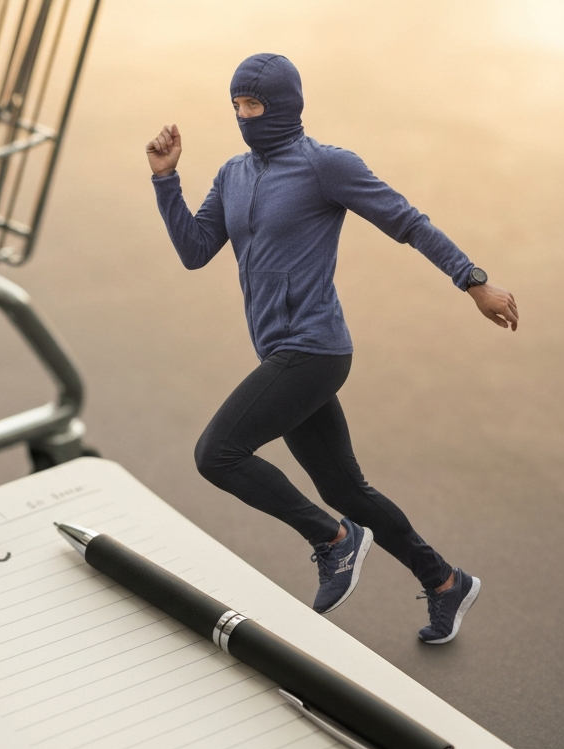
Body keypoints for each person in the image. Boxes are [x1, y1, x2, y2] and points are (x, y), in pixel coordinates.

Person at [147, 53, 518, 643]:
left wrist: (472, 280)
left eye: (255, 105)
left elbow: (408, 221)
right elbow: (195, 249)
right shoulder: (232, 175)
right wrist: (166, 179)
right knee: (347, 489)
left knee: (217, 453)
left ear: (285, 105)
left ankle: (332, 539)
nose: (244, 116)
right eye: (237, 105)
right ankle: (445, 581)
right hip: (281, 354)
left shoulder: (325, 166)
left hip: (315, 349)